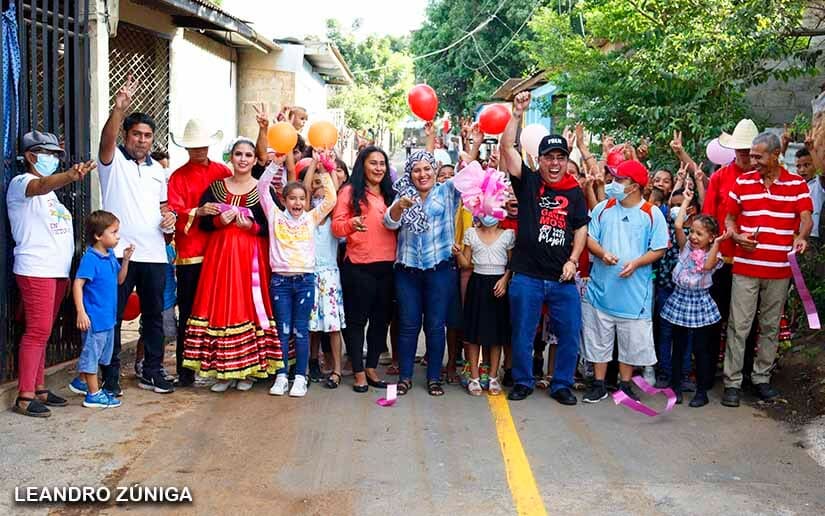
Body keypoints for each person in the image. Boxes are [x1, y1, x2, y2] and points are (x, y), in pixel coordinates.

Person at [499, 91, 589, 406]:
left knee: (570, 333)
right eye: (549, 157)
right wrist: (517, 113)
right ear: (540, 160)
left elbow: (580, 227)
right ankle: (523, 381)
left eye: (560, 157)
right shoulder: (528, 182)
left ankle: (561, 384)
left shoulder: (575, 192)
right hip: (527, 275)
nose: (554, 163)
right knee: (523, 333)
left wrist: (574, 260)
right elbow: (507, 148)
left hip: (562, 278)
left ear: (566, 160)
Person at [97, 76, 176, 395]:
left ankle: (152, 371)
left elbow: (162, 209)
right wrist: (118, 110)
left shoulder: (159, 171)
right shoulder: (113, 163)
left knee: (154, 318)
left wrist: (168, 221)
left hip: (155, 255)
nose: (142, 140)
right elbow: (106, 140)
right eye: (136, 134)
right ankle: (110, 375)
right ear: (126, 136)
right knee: (113, 318)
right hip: (119, 255)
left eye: (147, 135)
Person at [183, 138, 282, 392]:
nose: (243, 159)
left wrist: (252, 226)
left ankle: (248, 370)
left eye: (249, 155)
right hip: (220, 256)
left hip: (250, 258)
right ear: (231, 157)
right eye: (238, 154)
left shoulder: (262, 189)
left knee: (246, 305)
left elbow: (275, 224)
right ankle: (223, 372)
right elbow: (204, 222)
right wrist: (217, 222)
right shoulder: (216, 187)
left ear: (253, 159)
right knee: (221, 305)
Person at [721, 132, 813, 407]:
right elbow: (729, 219)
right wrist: (736, 237)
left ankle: (761, 379)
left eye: (759, 156)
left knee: (771, 327)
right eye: (751, 155)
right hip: (746, 268)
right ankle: (732, 383)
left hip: (780, 270)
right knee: (740, 326)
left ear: (775, 155)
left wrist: (801, 236)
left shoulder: (796, 184)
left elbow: (806, 219)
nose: (753, 161)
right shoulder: (742, 181)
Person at [7, 131, 94, 417]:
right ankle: (25, 395)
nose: (53, 159)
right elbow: (41, 184)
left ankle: (40, 387)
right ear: (31, 156)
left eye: (57, 154)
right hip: (36, 270)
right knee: (37, 332)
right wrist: (70, 176)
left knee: (44, 332)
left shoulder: (52, 195)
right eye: (48, 154)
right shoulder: (22, 183)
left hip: (54, 272)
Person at [583, 159, 669, 403]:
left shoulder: (651, 214)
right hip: (602, 289)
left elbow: (659, 248)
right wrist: (602, 253)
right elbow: (589, 238)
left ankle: (625, 383)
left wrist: (637, 263)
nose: (614, 184)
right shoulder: (603, 208)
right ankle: (598, 384)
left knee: (631, 340)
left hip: (634, 293)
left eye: (620, 180)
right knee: (598, 336)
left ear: (635, 186)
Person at [384, 149, 464, 397]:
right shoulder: (403, 194)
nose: (422, 174)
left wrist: (475, 143)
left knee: (435, 325)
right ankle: (405, 378)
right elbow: (389, 222)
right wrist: (399, 206)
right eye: (416, 170)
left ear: (435, 170)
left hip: (439, 270)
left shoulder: (447, 191)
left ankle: (433, 379)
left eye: (427, 169)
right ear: (410, 173)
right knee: (408, 325)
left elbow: (469, 173)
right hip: (407, 271)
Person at [261, 152, 337, 398]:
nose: (296, 203)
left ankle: (300, 378)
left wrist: (324, 169)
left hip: (305, 281)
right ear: (283, 200)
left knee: (301, 329)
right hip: (280, 282)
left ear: (306, 202)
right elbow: (262, 188)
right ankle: (283, 375)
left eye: (301, 199)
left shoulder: (311, 218)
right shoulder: (274, 216)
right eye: (291, 198)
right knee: (283, 329)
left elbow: (331, 199)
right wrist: (276, 163)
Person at [166, 118, 231, 387]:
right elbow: (173, 210)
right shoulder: (178, 177)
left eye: (202, 146)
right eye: (193, 147)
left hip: (219, 250)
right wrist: (197, 211)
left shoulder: (222, 171)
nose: (198, 151)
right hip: (191, 253)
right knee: (190, 312)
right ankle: (186, 369)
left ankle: (220, 367)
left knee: (221, 311)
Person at [332, 147, 397, 393]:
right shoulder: (349, 191)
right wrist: (351, 224)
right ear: (363, 165)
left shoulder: (391, 193)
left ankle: (371, 368)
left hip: (387, 266)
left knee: (381, 321)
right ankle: (358, 371)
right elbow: (336, 228)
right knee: (356, 322)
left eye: (382, 163)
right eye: (373, 163)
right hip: (359, 267)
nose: (379, 168)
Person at [700, 119, 759, 392]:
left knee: (747, 322)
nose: (744, 155)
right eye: (740, 150)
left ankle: (744, 375)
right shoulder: (720, 177)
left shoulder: (764, 178)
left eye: (749, 150)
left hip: (755, 262)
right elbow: (709, 219)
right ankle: (707, 373)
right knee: (715, 319)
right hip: (723, 261)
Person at [660, 189, 727, 406]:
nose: (694, 237)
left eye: (700, 234)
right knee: (678, 346)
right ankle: (676, 386)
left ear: (711, 237)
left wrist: (717, 242)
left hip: (699, 303)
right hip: (680, 299)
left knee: (700, 349)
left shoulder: (713, 256)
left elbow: (706, 267)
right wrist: (687, 199)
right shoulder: (686, 247)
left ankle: (701, 392)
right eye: (694, 232)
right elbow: (679, 226)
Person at [72, 211, 134, 408]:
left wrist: (125, 260)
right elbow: (77, 284)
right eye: (114, 232)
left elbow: (119, 280)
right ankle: (93, 394)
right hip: (95, 319)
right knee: (92, 355)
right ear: (99, 235)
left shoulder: (109, 258)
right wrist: (81, 312)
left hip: (108, 319)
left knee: (98, 355)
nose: (117, 236)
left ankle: (81, 382)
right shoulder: (91, 258)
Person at [454, 216, 515, 396]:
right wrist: (458, 253)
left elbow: (511, 263)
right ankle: (474, 376)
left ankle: (493, 376)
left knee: (496, 333)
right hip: (477, 283)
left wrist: (505, 280)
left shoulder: (508, 235)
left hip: (498, 285)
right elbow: (466, 263)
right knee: (473, 332)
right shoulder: (471, 233)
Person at [303, 152, 346, 389]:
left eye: (323, 183)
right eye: (315, 184)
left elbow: (334, 190)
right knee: (312, 326)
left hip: (329, 274)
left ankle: (337, 369)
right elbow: (305, 187)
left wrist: (327, 166)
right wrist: (313, 164)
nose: (318, 187)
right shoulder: (307, 214)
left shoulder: (332, 212)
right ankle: (312, 363)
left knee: (332, 326)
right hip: (309, 273)